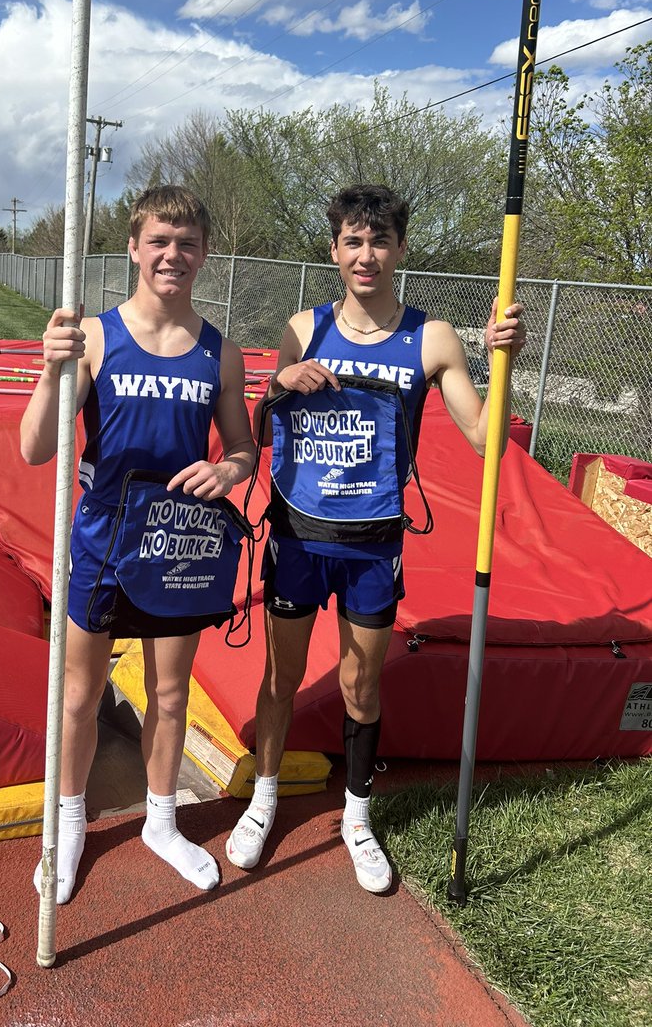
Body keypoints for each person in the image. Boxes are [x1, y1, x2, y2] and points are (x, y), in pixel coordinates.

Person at [225, 184, 525, 893]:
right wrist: (277, 386)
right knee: (281, 678)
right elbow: (259, 427)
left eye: (380, 240)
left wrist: (502, 360)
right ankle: (265, 798)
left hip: (372, 545)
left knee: (361, 687)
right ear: (335, 251)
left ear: (401, 249)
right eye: (353, 242)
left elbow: (487, 441)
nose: (367, 255)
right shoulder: (302, 327)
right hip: (298, 536)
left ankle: (357, 818)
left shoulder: (435, 337)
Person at [20, 185, 255, 904]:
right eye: (159, 241)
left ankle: (160, 821)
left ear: (204, 253)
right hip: (101, 542)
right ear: (133, 247)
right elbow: (34, 448)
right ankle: (68, 823)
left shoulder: (220, 352)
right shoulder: (94, 336)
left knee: (170, 693)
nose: (172, 256)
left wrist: (225, 470)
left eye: (186, 244)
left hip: (179, 546)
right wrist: (50, 369)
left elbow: (244, 452)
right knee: (81, 694)